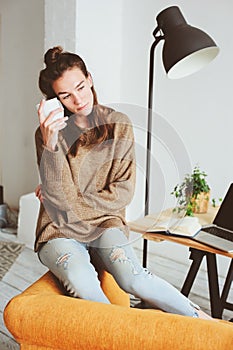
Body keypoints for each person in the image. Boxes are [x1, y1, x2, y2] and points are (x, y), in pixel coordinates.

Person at [35, 46, 213, 320]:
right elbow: (58, 199)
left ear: (90, 79)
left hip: (106, 223)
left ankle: (206, 322)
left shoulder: (119, 123)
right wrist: (51, 147)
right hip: (58, 230)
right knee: (84, 282)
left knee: (134, 278)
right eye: (65, 95)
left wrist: (68, 200)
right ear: (55, 100)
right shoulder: (47, 135)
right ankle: (122, 336)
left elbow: (121, 192)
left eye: (81, 87)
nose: (78, 99)